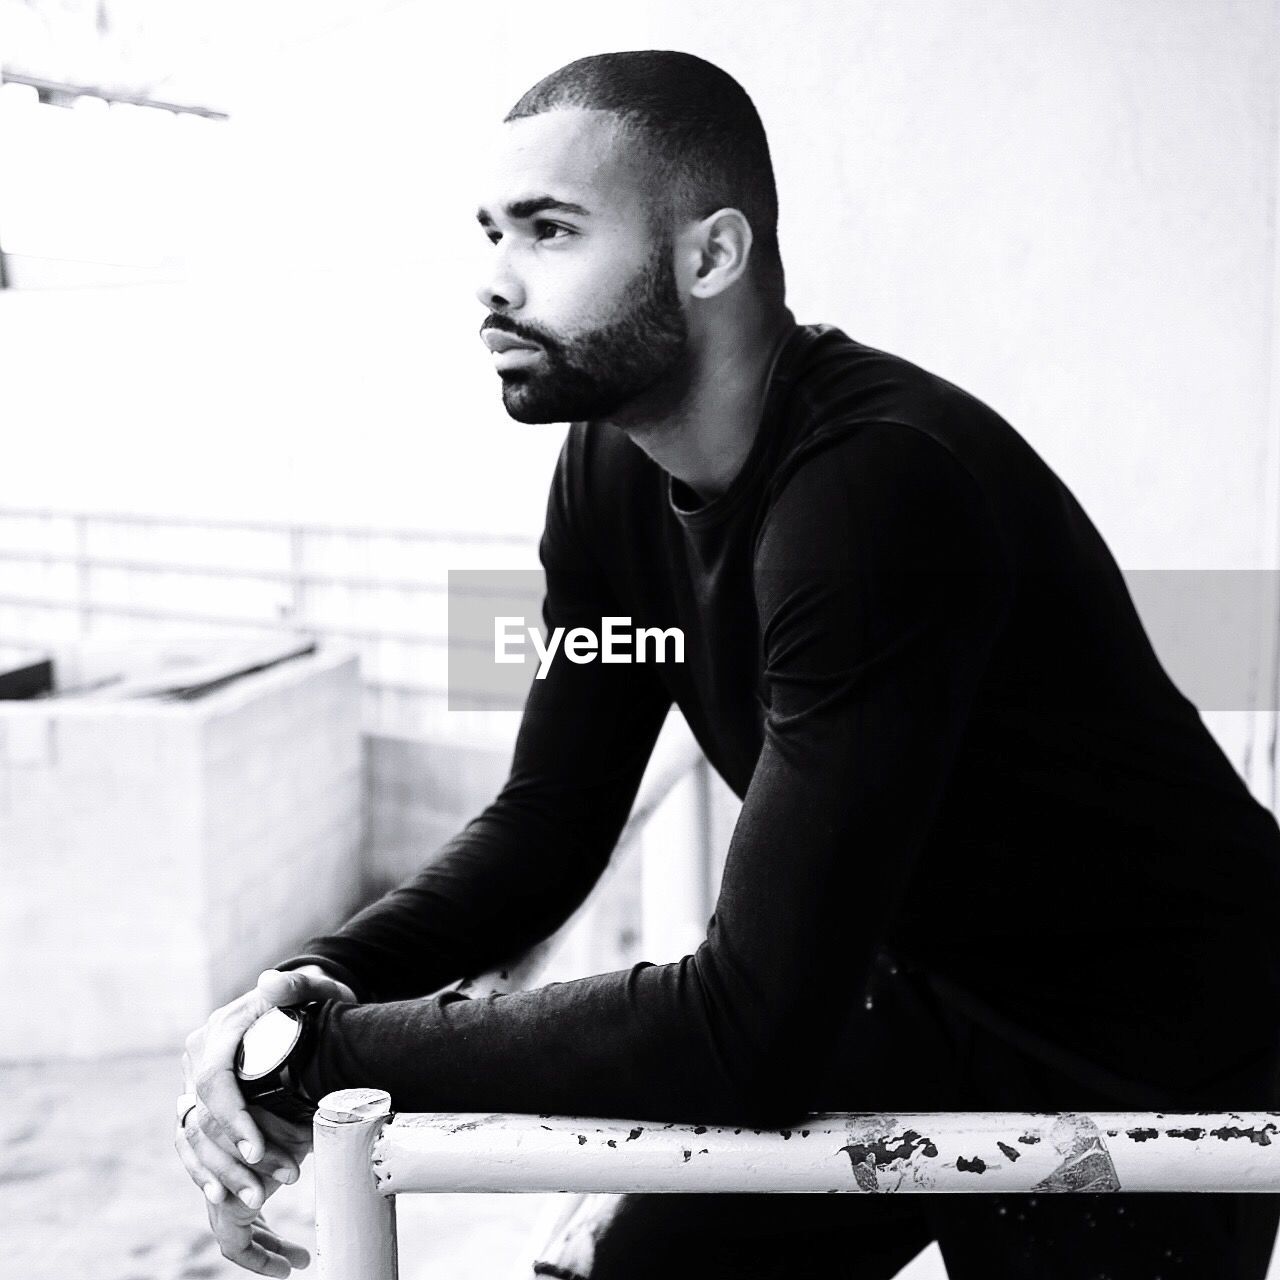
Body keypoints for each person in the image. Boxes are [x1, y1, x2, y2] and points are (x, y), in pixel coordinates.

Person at [175, 49, 1280, 1278]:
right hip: (919, 990)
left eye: (548, 231)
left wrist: (330, 1052)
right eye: (489, 232)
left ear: (710, 256)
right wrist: (314, 978)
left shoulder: (872, 498)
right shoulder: (608, 474)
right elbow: (551, 814)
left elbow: (746, 1027)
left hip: (1142, 1048)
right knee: (630, 1272)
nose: (492, 281)